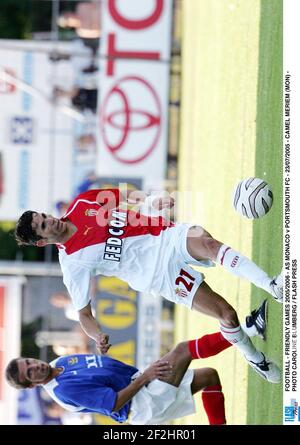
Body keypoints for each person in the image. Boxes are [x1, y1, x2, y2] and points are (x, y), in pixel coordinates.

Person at [14, 188, 282, 383]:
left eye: (44, 216)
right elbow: (84, 314)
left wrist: (152, 200)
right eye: (43, 226)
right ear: (41, 241)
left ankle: (272, 286)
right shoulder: (72, 264)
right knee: (227, 314)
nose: (50, 220)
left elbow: (125, 195)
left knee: (209, 245)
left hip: (165, 235)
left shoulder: (82, 203)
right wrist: (98, 336)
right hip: (157, 276)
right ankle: (255, 358)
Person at [6, 332, 233, 425]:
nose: (34, 366)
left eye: (29, 362)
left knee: (209, 377)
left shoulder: (59, 363)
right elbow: (114, 402)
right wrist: (145, 376)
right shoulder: (63, 392)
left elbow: (100, 370)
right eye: (30, 373)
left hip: (142, 386)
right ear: (32, 385)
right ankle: (246, 330)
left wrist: (101, 347)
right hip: (141, 404)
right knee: (183, 349)